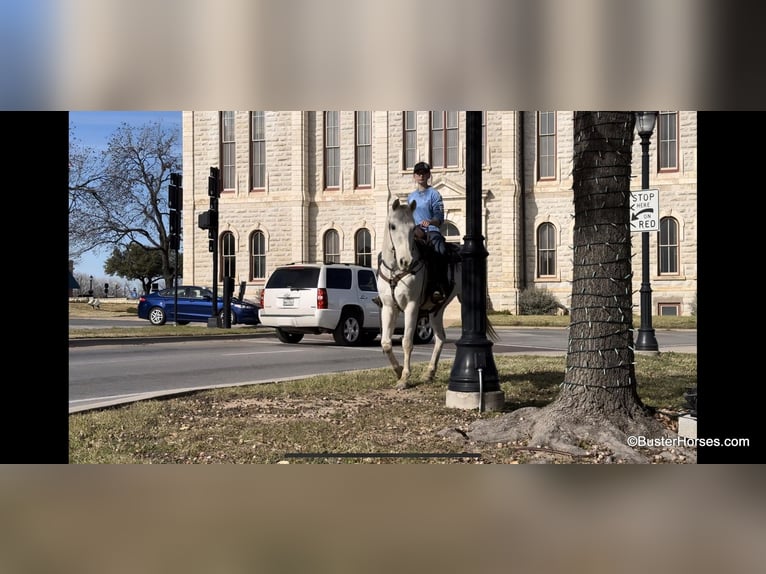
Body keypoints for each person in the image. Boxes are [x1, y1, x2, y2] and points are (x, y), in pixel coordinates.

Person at [407, 162, 450, 303]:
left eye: (424, 173)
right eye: (418, 173)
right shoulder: (410, 197)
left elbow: (439, 216)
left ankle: (439, 286)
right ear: (414, 176)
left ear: (428, 175)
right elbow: (408, 217)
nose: (421, 175)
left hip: (431, 231)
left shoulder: (434, 194)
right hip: (414, 232)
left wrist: (430, 222)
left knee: (440, 250)